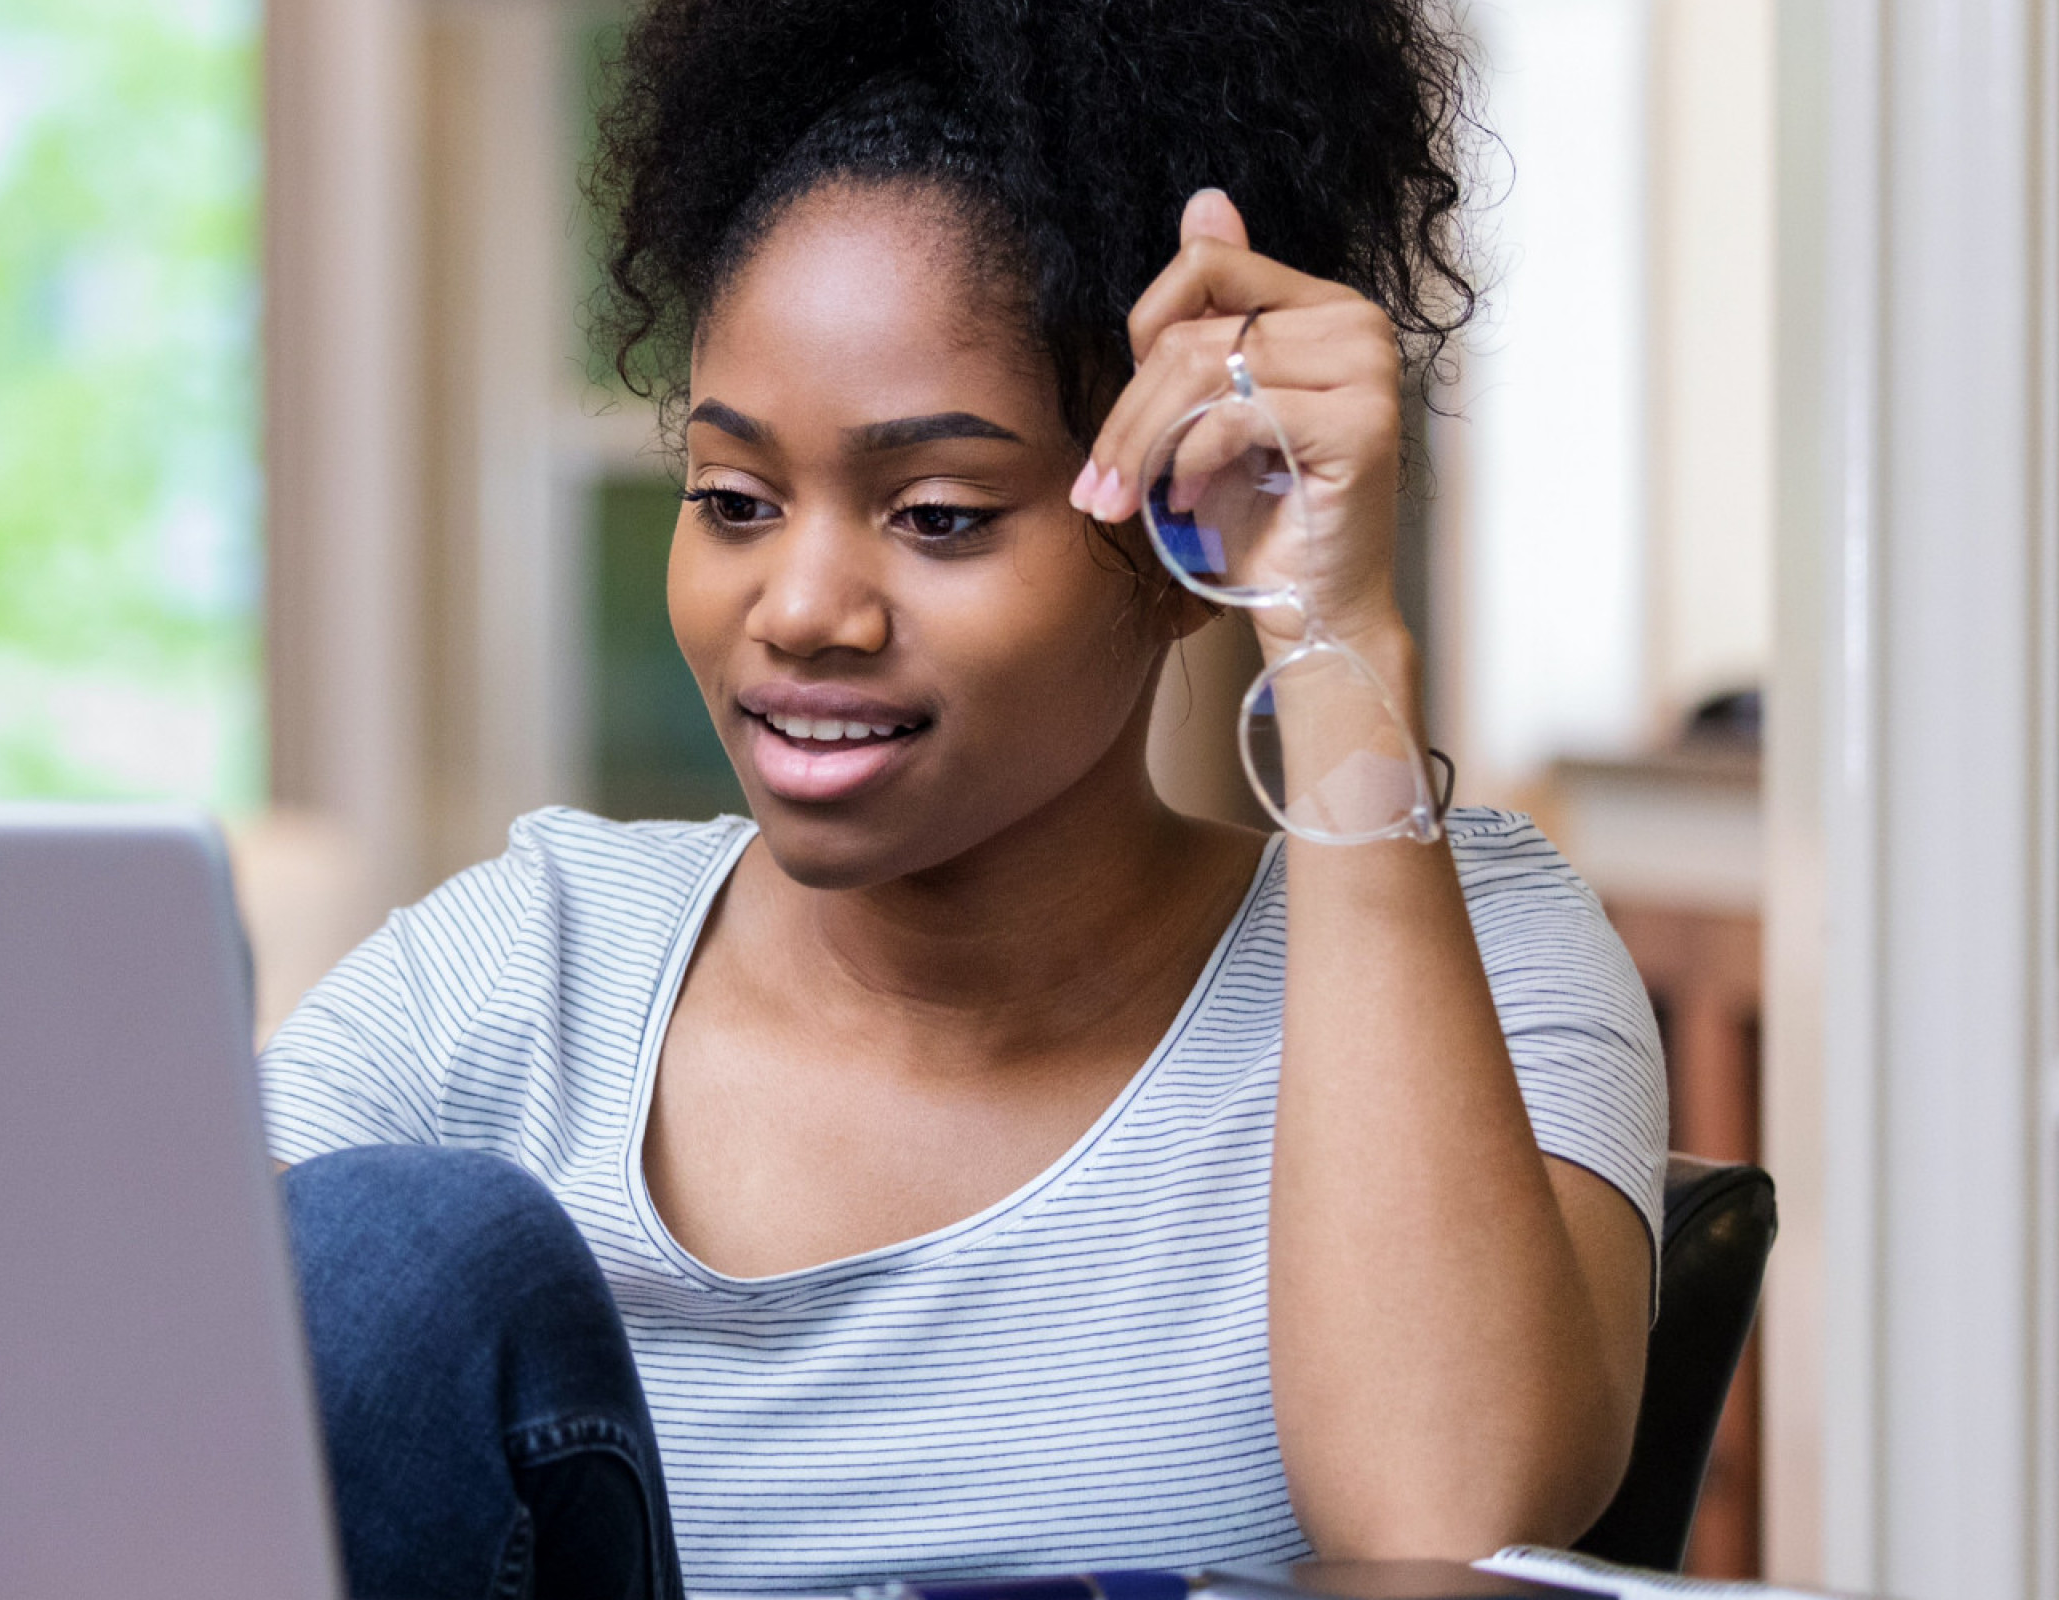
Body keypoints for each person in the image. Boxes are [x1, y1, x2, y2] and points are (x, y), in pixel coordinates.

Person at [256, 1, 1669, 1595]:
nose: (798, 607)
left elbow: (1440, 1531)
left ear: (1177, 529)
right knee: (372, 1255)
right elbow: (102, 1391)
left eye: (934, 515)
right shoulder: (526, 969)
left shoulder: (1468, 948)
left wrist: (1334, 633)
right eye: (731, 499)